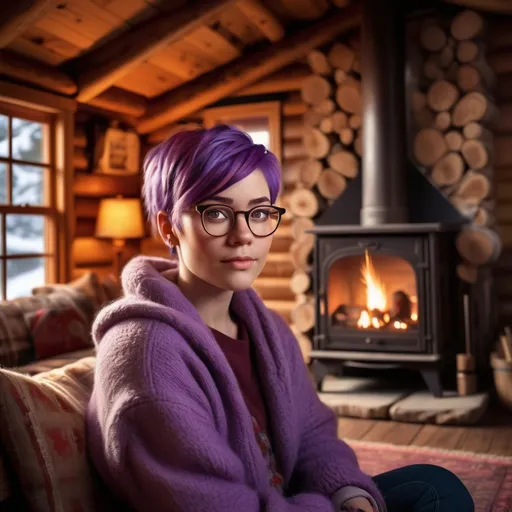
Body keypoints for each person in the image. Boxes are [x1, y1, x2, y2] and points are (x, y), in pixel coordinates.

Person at [86, 124, 474, 512]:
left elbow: (313, 435)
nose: (244, 235)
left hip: (289, 503)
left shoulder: (267, 328)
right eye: (217, 213)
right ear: (169, 227)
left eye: (258, 212)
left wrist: (348, 495)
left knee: (436, 487)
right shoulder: (148, 357)